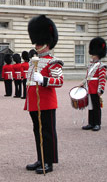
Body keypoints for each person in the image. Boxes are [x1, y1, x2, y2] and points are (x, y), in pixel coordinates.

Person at [25, 15, 63, 174]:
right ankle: (41, 158)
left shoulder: (53, 61)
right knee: (37, 131)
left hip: (46, 102)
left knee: (47, 132)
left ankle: (49, 161)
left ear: (46, 44)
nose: (36, 45)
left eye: (39, 43)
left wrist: (44, 80)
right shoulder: (33, 61)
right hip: (34, 102)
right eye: (36, 42)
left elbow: (59, 81)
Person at [80, 37, 107, 131]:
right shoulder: (91, 65)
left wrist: (100, 89)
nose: (92, 56)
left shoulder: (101, 66)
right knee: (90, 106)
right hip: (89, 88)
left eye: (94, 55)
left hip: (95, 88)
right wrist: (83, 83)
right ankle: (91, 123)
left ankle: (97, 123)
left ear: (98, 55)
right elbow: (88, 77)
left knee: (96, 107)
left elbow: (102, 79)